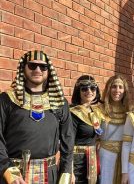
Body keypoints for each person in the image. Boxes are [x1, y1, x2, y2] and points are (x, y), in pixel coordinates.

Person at [0, 50, 73, 184]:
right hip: (15, 176)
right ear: (24, 68)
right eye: (32, 65)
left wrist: (66, 171)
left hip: (50, 175)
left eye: (43, 66)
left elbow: (68, 140)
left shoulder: (60, 103)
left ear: (48, 70)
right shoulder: (6, 100)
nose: (38, 69)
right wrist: (7, 169)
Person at [70, 75, 105, 184]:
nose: (89, 91)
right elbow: (68, 142)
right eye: (84, 88)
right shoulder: (73, 112)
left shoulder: (95, 111)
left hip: (93, 160)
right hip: (77, 163)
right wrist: (69, 171)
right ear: (78, 91)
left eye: (92, 88)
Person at [99, 75, 132, 184]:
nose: (117, 90)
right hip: (106, 154)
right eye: (114, 86)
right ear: (109, 88)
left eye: (120, 87)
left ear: (125, 90)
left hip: (126, 155)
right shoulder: (99, 109)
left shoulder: (131, 111)